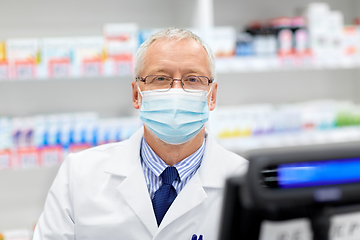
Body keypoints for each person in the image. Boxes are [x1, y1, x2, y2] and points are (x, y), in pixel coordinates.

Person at [33, 28, 248, 240]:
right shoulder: (79, 174)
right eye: (160, 78)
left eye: (192, 80)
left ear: (212, 97)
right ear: (137, 94)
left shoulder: (249, 183)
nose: (176, 91)